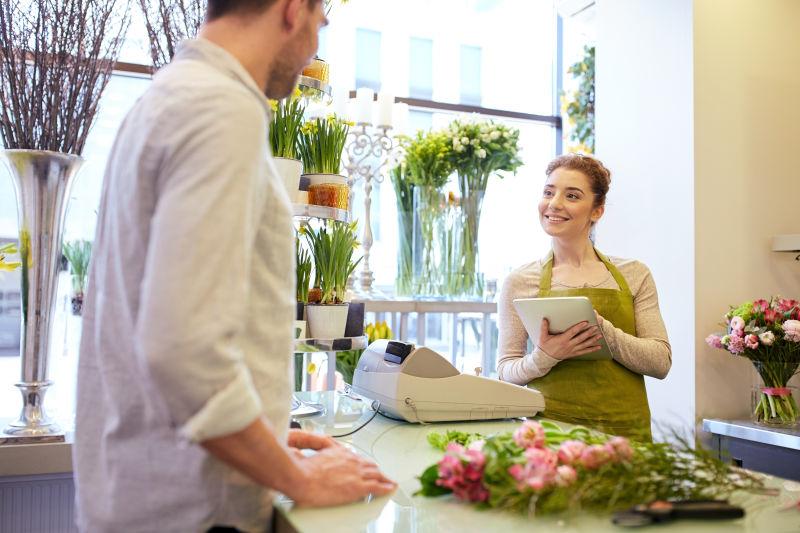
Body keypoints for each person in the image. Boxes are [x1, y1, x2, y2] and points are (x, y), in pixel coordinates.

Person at [73, 1, 395, 531]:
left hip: (149, 490)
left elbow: (152, 321)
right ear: (292, 11)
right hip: (194, 511)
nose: (315, 47)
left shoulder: (168, 96)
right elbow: (186, 351)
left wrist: (259, 433)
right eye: (321, 24)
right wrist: (302, 480)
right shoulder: (221, 109)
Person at [496, 154, 671, 440]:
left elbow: (660, 362)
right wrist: (544, 357)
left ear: (597, 210)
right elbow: (505, 371)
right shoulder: (519, 281)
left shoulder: (634, 274)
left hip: (626, 433)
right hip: (551, 434)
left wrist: (602, 331)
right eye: (548, 192)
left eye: (572, 195)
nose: (554, 204)